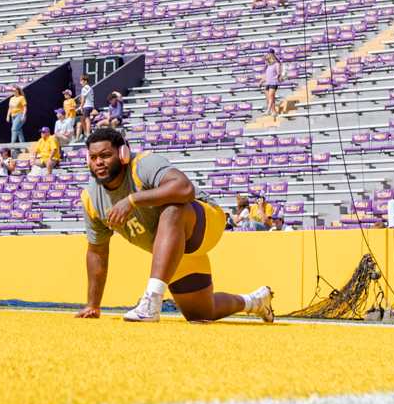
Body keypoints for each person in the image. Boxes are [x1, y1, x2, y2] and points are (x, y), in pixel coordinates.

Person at [76, 127, 271, 324]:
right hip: (173, 250)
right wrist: (93, 304)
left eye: (105, 155)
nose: (98, 162)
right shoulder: (91, 199)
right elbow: (97, 252)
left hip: (203, 224)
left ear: (123, 154)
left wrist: (132, 200)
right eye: (93, 157)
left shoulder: (143, 164)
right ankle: (255, 302)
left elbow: (184, 188)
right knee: (201, 313)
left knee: (172, 206)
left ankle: (151, 301)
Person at [259, 52, 285, 116]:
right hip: (268, 83)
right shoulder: (268, 66)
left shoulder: (276, 64)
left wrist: (279, 77)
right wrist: (261, 81)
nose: (266, 61)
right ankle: (273, 111)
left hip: (273, 82)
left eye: (267, 59)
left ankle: (268, 110)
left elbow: (278, 73)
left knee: (271, 96)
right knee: (269, 98)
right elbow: (267, 75)